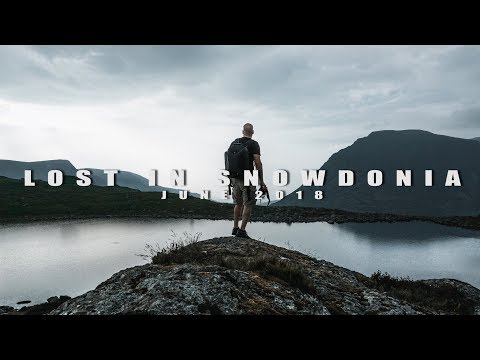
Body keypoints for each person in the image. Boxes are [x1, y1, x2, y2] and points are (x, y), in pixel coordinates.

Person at [229, 123, 267, 239]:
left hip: (234, 177)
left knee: (238, 203)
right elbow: (258, 163)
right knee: (248, 203)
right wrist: (262, 181)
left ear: (242, 131)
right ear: (253, 132)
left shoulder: (235, 142)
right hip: (248, 176)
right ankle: (242, 230)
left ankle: (235, 227)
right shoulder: (254, 144)